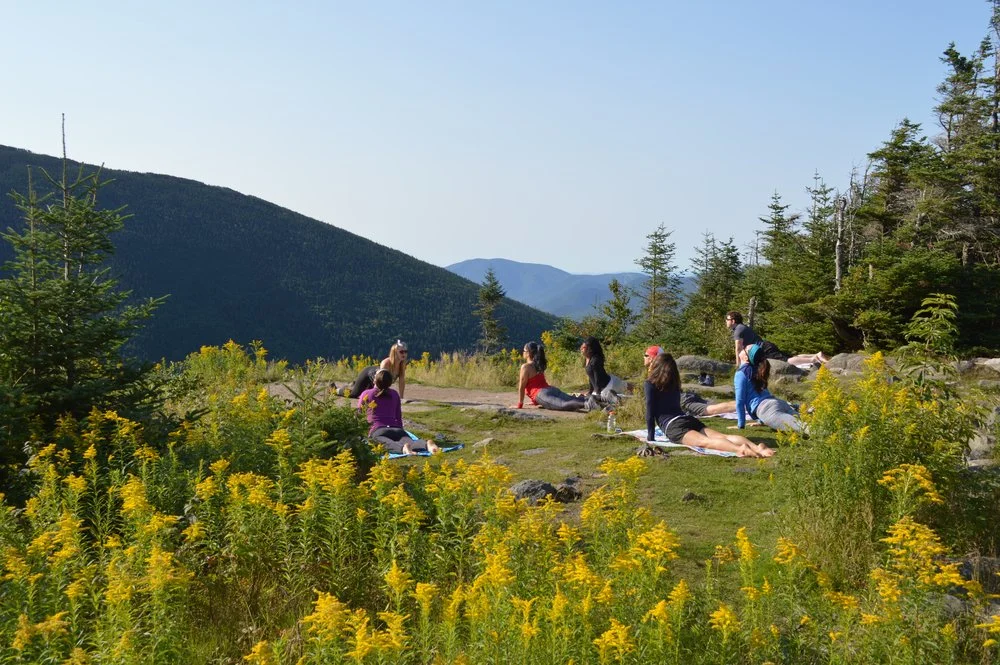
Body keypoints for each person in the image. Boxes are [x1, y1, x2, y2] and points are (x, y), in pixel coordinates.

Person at [645, 352, 774, 457]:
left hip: (673, 425)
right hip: (688, 419)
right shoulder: (674, 383)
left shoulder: (650, 383)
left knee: (705, 442)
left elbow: (650, 411)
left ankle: (740, 450)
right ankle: (757, 447)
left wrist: (650, 437)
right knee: (724, 436)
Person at [358, 368, 438, 455]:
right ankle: (426, 445)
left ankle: (403, 449)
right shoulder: (394, 394)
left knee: (385, 443)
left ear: (374, 380)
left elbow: (359, 413)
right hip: (397, 429)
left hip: (378, 429)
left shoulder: (366, 394)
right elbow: (398, 416)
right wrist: (401, 430)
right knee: (410, 442)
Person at [732, 343, 808, 435]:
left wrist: (741, 425)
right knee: (812, 424)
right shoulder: (758, 370)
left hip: (768, 410)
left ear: (746, 358)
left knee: (806, 429)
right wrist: (761, 420)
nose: (742, 348)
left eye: (745, 349)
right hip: (778, 403)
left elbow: (740, 402)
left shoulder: (741, 374)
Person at [642, 345, 737, 418]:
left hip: (683, 401)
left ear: (651, 358)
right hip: (685, 395)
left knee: (712, 410)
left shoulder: (653, 372)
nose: (644, 357)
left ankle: (744, 406)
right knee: (718, 405)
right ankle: (744, 403)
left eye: (646, 355)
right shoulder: (668, 368)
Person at [514, 341, 595, 412]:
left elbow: (522, 386)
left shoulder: (525, 367)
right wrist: (535, 401)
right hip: (551, 389)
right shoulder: (538, 364)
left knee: (563, 405)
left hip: (541, 394)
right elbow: (537, 383)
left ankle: (589, 404)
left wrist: (520, 404)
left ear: (528, 353)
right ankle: (599, 399)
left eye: (524, 351)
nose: (522, 352)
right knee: (573, 399)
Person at [581, 337, 627, 405]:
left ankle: (643, 390)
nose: (581, 349)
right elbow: (591, 377)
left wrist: (597, 394)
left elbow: (597, 378)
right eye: (581, 346)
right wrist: (590, 391)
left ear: (589, 348)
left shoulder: (595, 360)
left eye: (583, 347)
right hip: (603, 386)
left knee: (629, 390)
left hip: (609, 385)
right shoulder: (588, 358)